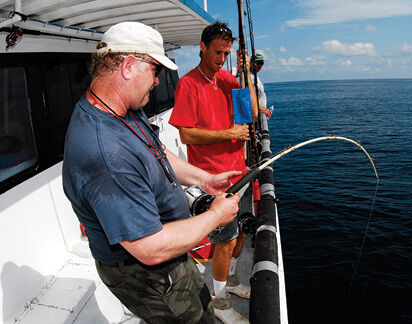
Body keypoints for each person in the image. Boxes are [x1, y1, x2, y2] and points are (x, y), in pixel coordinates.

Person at [62, 21, 242, 323]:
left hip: (170, 251)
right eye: (156, 70)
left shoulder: (122, 107)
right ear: (130, 66)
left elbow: (157, 151)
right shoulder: (106, 156)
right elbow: (151, 249)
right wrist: (214, 217)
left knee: (200, 303)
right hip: (146, 273)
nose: (158, 81)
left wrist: (205, 179)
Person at [168, 21, 258, 324]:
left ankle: (231, 281)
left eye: (226, 53)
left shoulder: (229, 80)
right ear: (203, 48)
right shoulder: (188, 84)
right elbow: (187, 136)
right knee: (224, 241)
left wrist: (246, 75)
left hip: (239, 173)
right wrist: (226, 132)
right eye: (217, 52)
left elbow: (252, 115)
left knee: (240, 233)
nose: (221, 58)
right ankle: (219, 302)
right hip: (212, 179)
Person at [251, 52, 272, 118]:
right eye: (258, 63)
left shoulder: (255, 75)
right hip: (258, 112)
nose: (260, 65)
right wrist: (261, 109)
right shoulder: (250, 77)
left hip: (261, 112)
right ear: (251, 63)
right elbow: (251, 95)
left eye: (262, 63)